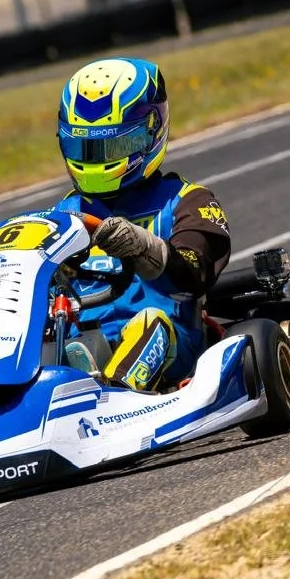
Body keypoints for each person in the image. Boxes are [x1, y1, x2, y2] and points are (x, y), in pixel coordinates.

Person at [55, 57, 232, 392]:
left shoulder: (187, 201)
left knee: (149, 324)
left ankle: (114, 394)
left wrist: (143, 246)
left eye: (115, 145)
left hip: (170, 341)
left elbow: (195, 273)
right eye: (86, 148)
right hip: (83, 342)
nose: (99, 159)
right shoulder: (62, 215)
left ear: (151, 132)